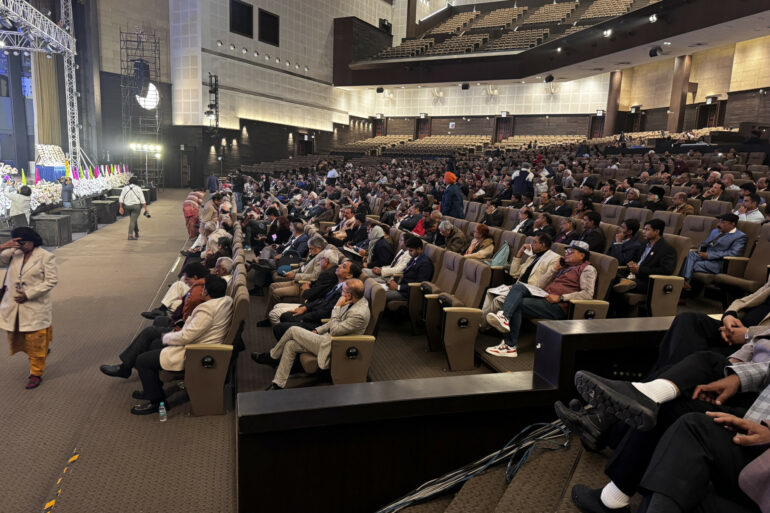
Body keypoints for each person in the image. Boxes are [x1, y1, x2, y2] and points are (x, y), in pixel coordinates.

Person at [568, 344, 770, 513]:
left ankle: (608, 424)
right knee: (670, 397)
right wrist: (738, 376)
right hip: (760, 401)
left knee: (690, 421)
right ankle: (613, 495)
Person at [100, 275, 232, 415]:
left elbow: (186, 337)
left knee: (142, 360)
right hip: (198, 344)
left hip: (194, 351)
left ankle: (157, 402)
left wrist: (167, 337)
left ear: (205, 291)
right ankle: (150, 388)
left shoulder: (207, 310)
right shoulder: (226, 301)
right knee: (151, 344)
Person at [485, 240, 596, 358]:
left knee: (518, 304)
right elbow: (540, 284)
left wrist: (561, 297)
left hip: (559, 306)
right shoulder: (563, 267)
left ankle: (510, 346)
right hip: (545, 297)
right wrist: (554, 269)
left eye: (570, 251)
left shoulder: (587, 269)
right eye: (566, 251)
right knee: (518, 287)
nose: (566, 253)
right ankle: (504, 318)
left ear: (582, 255)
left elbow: (587, 294)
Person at [253, 278, 369, 390]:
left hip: (335, 345)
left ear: (349, 295)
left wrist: (337, 307)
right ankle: (278, 384)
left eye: (342, 291)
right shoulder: (352, 301)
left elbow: (335, 330)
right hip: (326, 338)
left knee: (293, 330)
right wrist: (317, 331)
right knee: (290, 345)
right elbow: (332, 322)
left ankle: (272, 356)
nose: (341, 294)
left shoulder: (358, 314)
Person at [0, 228, 58, 389]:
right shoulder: (13, 253)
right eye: (17, 242)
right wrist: (5, 246)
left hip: (34, 305)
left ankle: (36, 374)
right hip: (14, 306)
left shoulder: (45, 256)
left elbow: (51, 280)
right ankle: (42, 349)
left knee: (36, 340)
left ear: (32, 240)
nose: (21, 246)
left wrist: (29, 294)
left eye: (23, 242)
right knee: (18, 337)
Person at [479, 233, 560, 331]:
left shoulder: (554, 258)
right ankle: (482, 323)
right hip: (517, 288)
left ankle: (481, 326)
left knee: (498, 300)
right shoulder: (533, 257)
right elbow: (514, 272)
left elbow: (544, 283)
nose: (531, 244)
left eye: (534, 242)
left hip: (531, 292)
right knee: (489, 292)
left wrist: (518, 288)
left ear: (542, 245)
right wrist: (520, 253)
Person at [681, 213, 747, 290]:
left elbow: (734, 253)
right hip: (705, 257)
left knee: (692, 264)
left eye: (722, 222)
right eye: (719, 221)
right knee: (690, 254)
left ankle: (684, 282)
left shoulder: (740, 236)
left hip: (719, 262)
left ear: (732, 224)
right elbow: (705, 243)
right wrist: (700, 250)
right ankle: (684, 282)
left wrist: (709, 255)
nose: (718, 224)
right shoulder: (715, 231)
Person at [384, 236, 434, 304]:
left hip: (409, 293)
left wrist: (398, 287)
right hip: (402, 287)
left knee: (380, 294)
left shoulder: (425, 264)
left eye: (411, 251)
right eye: (408, 250)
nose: (409, 253)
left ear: (419, 249)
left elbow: (419, 284)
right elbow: (405, 272)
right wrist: (394, 282)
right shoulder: (414, 258)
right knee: (378, 290)